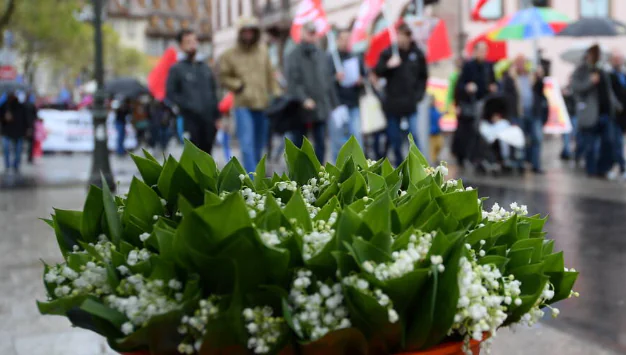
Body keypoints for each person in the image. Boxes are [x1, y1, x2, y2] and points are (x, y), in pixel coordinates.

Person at [219, 17, 279, 173]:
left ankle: (257, 176)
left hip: (262, 103)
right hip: (243, 104)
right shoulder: (230, 55)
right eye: (245, 31)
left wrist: (277, 94)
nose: (248, 34)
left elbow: (270, 75)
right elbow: (223, 76)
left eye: (251, 30)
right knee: (246, 145)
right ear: (240, 33)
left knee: (260, 145)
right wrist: (237, 85)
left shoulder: (263, 51)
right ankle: (252, 182)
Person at [374, 23, 428, 166]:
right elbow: (377, 71)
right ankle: (399, 163)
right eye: (399, 36)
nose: (401, 40)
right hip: (393, 103)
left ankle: (418, 164)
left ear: (409, 37)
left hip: (410, 102)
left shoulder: (417, 54)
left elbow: (423, 76)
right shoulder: (389, 52)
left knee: (414, 134)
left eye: (404, 37)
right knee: (394, 137)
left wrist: (419, 95)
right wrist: (388, 65)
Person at [286, 21, 338, 162]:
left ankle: (318, 174)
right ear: (302, 33)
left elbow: (327, 81)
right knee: (300, 145)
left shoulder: (321, 55)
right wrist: (304, 99)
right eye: (309, 33)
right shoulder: (293, 56)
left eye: (314, 33)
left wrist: (334, 104)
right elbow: (293, 82)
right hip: (301, 110)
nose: (311, 37)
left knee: (321, 144)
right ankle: (300, 177)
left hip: (321, 107)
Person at [571, 45, 622, 178]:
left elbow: (608, 91)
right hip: (589, 114)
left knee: (608, 143)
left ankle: (602, 169)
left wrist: (616, 105)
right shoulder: (581, 71)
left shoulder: (602, 71)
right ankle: (591, 170)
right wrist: (590, 81)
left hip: (605, 113)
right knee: (590, 145)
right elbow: (576, 88)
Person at [166, 29, 220, 154]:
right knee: (193, 155)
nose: (192, 45)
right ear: (181, 45)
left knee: (207, 155)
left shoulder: (205, 68)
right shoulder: (177, 69)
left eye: (194, 41)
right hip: (189, 119)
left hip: (208, 120)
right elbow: (171, 93)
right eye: (188, 42)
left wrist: (217, 116)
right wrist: (187, 106)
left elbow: (213, 92)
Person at [453, 41, 497, 168]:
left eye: (485, 51)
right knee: (469, 131)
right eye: (481, 50)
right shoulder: (468, 66)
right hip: (470, 104)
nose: (483, 54)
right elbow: (459, 86)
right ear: (475, 51)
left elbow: (494, 83)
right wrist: (467, 88)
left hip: (485, 104)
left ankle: (479, 157)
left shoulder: (489, 66)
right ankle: (466, 157)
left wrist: (493, 87)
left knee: (482, 131)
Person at [329, 29, 365, 157]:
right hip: (337, 105)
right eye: (343, 39)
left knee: (356, 138)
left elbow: (363, 76)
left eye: (347, 39)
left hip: (353, 103)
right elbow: (325, 81)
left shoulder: (354, 57)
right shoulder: (331, 58)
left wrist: (360, 80)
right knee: (338, 142)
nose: (345, 42)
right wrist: (335, 78)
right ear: (337, 40)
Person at [512, 55, 547, 174]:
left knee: (536, 138)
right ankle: (520, 164)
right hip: (519, 112)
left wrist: (540, 77)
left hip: (533, 112)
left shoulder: (532, 77)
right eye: (519, 62)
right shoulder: (512, 78)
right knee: (520, 140)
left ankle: (535, 164)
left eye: (523, 62)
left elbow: (540, 91)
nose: (522, 65)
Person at [608, 49, 626, 180]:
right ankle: (620, 166)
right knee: (616, 142)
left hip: (623, 115)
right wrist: (617, 106)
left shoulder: (623, 74)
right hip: (616, 115)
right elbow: (610, 95)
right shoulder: (610, 75)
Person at [0, 92, 28, 173]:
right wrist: (4, 117)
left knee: (18, 150)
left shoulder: (20, 106)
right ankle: (7, 165)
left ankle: (16, 165)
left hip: (18, 131)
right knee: (6, 149)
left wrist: (26, 129)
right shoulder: (4, 106)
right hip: (7, 131)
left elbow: (24, 118)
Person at [428, 95, 443, 164]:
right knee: (432, 149)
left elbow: (438, 115)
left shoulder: (435, 109)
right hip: (431, 133)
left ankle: (435, 158)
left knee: (440, 145)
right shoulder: (427, 111)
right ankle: (432, 162)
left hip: (437, 131)